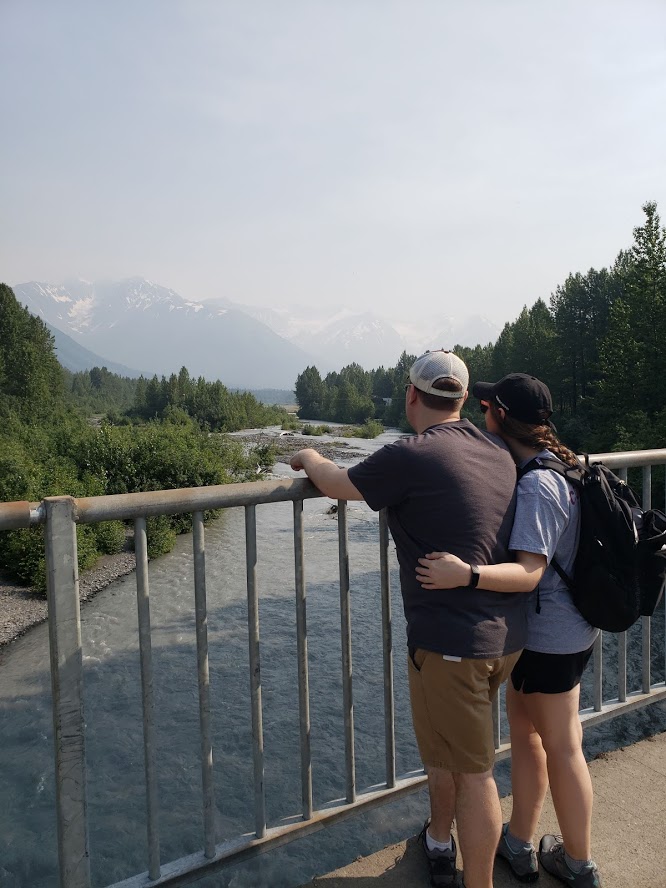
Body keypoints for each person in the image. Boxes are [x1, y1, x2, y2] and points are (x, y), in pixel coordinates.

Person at [290, 351, 528, 888]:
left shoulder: (410, 455)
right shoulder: (495, 448)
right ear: (464, 400)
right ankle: (438, 842)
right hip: (505, 637)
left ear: (411, 396)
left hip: (451, 646)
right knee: (448, 746)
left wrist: (307, 453)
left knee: (477, 775)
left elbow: (336, 481)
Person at [416, 372, 603, 888]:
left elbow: (530, 572)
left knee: (562, 745)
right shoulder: (561, 464)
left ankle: (579, 863)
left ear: (499, 414)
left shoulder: (540, 483)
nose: (480, 415)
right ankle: (519, 841)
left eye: (485, 408)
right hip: (560, 630)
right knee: (528, 737)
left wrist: (467, 574)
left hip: (551, 635)